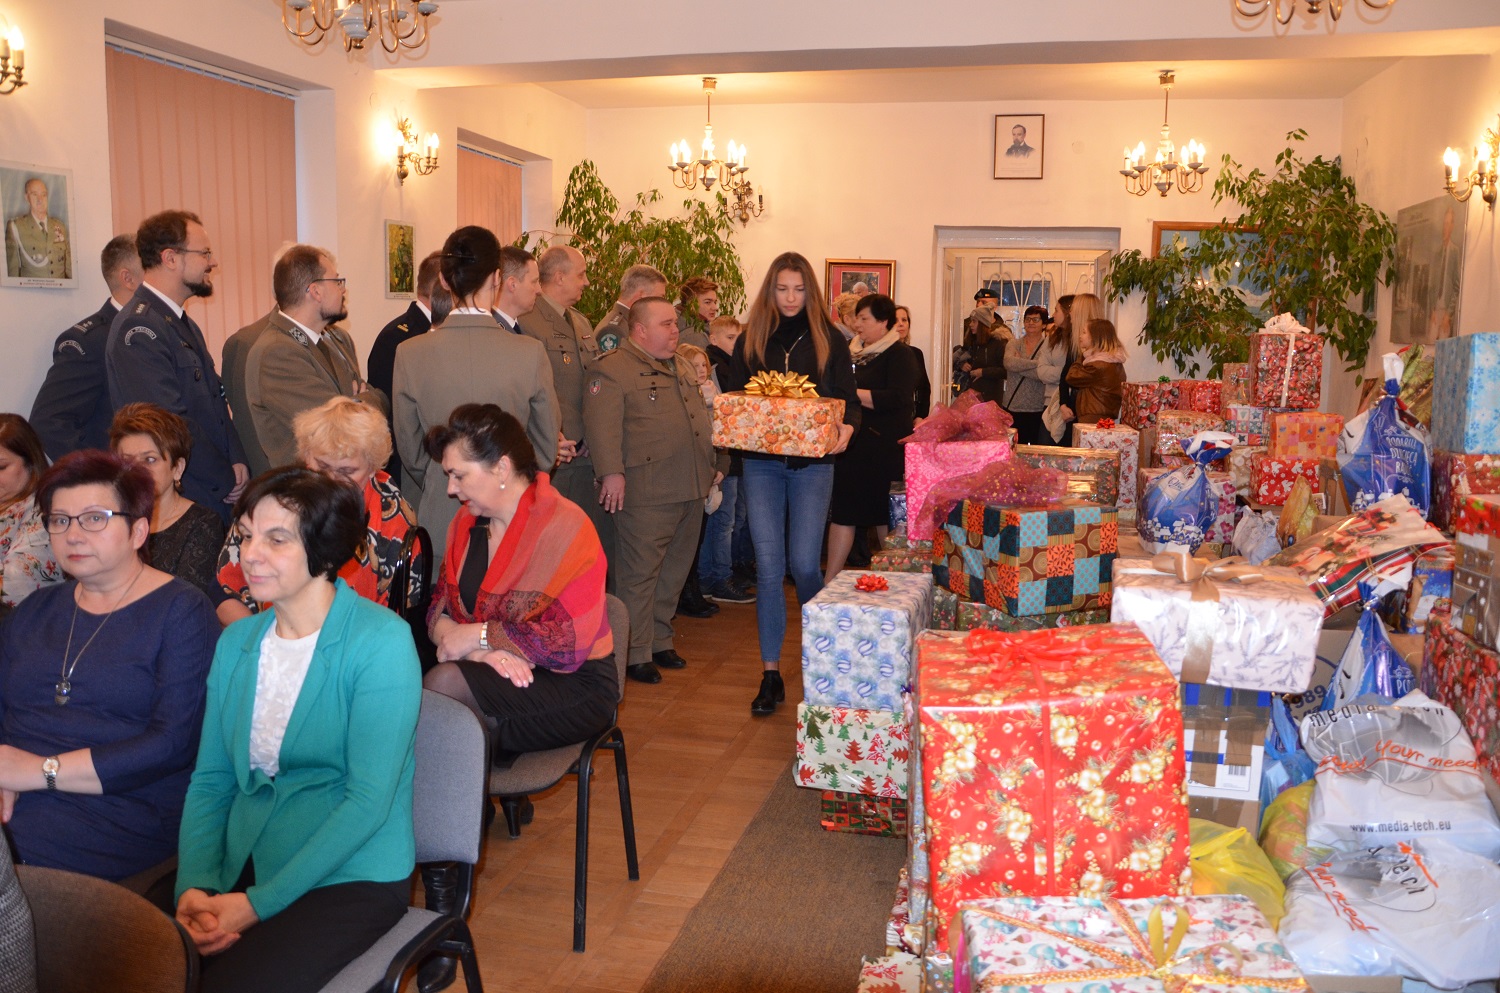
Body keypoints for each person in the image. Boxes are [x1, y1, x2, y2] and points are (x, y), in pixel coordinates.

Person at [174, 468, 420, 993]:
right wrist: (193, 885)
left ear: (325, 552)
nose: (250, 554)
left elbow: (367, 803)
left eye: (276, 539)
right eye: (246, 536)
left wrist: (255, 905)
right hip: (248, 853)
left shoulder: (381, 642)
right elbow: (212, 780)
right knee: (138, 963)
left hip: (350, 872)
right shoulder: (237, 642)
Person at [0, 450, 217, 884]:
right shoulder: (36, 609)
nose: (73, 535)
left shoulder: (182, 611)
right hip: (17, 792)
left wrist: (42, 772)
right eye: (60, 520)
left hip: (118, 808)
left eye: (94, 519)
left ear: (138, 530)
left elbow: (172, 743)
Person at [722, 252, 858, 715]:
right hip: (761, 465)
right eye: (782, 289)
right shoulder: (751, 337)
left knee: (803, 564)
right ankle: (770, 675)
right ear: (770, 290)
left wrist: (848, 428)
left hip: (813, 466)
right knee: (768, 567)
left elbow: (846, 401)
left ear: (810, 291)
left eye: (799, 289)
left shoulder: (829, 338)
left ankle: (823, 662)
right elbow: (736, 398)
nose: (791, 298)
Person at [393, 227, 559, 555]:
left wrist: (446, 476)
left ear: (443, 280)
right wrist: (511, 481)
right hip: (511, 515)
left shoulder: (410, 353)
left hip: (441, 514)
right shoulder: (529, 352)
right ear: (497, 278)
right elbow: (546, 445)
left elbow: (411, 450)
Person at [583, 298, 722, 684]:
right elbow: (602, 427)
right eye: (666, 324)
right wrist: (611, 473)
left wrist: (715, 464)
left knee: (674, 570)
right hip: (646, 490)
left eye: (675, 323)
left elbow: (701, 419)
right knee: (639, 575)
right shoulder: (612, 369)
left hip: (690, 483)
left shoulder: (681, 365)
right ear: (640, 330)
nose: (675, 330)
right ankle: (634, 651)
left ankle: (660, 639)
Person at [217, 396, 415, 625]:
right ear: (306, 457)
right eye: (322, 467)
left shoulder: (393, 515)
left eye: (347, 471)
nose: (331, 480)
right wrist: (263, 635)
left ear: (372, 469)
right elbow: (224, 592)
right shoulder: (271, 499)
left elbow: (394, 616)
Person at [106, 210, 248, 524]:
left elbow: (215, 398)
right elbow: (169, 423)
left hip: (213, 490)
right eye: (204, 253)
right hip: (186, 497)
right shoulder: (139, 329)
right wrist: (224, 476)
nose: (212, 262)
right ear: (170, 258)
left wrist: (237, 457)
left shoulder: (180, 322)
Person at [516, 245, 614, 591]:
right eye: (581, 275)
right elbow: (532, 393)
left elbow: (591, 385)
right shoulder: (527, 322)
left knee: (582, 550)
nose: (586, 282)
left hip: (585, 456)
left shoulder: (582, 322)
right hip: (555, 456)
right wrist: (553, 436)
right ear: (559, 277)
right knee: (549, 553)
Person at [245, 245, 388, 469]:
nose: (343, 290)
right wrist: (363, 402)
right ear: (316, 291)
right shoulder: (277, 352)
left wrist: (356, 403)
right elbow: (340, 428)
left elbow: (374, 401)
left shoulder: (333, 339)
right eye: (337, 281)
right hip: (308, 485)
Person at [825, 294, 919, 585]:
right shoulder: (850, 351)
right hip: (852, 446)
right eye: (857, 317)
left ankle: (895, 583)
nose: (858, 324)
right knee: (844, 514)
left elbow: (899, 397)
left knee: (884, 515)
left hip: (883, 450)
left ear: (883, 322)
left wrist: (852, 395)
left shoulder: (900, 354)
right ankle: (829, 582)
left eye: (864, 318)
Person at [29, 235, 144, 460]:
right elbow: (49, 423)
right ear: (128, 279)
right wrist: (102, 473)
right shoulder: (91, 341)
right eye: (152, 268)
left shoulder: (169, 330)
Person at [110, 403, 226, 603]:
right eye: (127, 461)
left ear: (177, 468)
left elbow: (184, 601)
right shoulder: (110, 520)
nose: (138, 470)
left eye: (150, 459)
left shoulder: (203, 523)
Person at [367, 252, 447, 488]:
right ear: (442, 285)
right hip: (409, 468)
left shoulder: (434, 332)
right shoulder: (397, 337)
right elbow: (392, 411)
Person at [700, 316, 753, 604]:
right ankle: (716, 577)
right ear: (714, 339)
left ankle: (727, 571)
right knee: (723, 521)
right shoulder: (717, 368)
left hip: (736, 453)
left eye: (738, 337)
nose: (736, 343)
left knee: (734, 519)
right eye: (730, 337)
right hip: (724, 454)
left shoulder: (736, 364)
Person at [0, 416, 62, 620]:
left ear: (30, 463)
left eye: (1, 467)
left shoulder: (46, 510)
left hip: (23, 627)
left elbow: (16, 582)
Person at [1002, 304, 1067, 446]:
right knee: (1013, 449)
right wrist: (1038, 364)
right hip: (1013, 406)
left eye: (1035, 319)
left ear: (1044, 324)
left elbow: (1042, 374)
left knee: (1037, 450)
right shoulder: (1014, 343)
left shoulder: (1049, 346)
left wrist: (1019, 365)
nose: (1030, 322)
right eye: (1027, 319)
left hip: (1038, 407)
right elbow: (1008, 363)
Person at [5, 177, 70, 280]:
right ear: (27, 198)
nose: (40, 200)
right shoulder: (16, 227)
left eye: (43, 194)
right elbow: (13, 274)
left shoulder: (60, 226)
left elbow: (70, 270)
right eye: (34, 194)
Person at [1065, 318, 1130, 422]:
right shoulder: (1113, 361)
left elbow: (1071, 377)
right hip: (1102, 415)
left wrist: (1082, 357)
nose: (1080, 336)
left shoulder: (1097, 365)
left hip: (1092, 416)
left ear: (1094, 337)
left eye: (1084, 332)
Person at [594, 264, 667, 354]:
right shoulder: (614, 330)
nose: (662, 303)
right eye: (660, 298)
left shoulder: (629, 323)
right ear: (642, 296)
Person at [958, 288, 1010, 403]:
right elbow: (961, 352)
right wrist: (961, 363)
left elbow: (1006, 369)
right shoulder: (971, 334)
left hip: (990, 397)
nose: (979, 305)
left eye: (984, 302)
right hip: (970, 393)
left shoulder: (1001, 338)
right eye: (978, 302)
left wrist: (983, 372)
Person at [488, 245, 542, 336]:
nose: (539, 290)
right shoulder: (493, 333)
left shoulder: (519, 327)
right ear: (513, 285)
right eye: (534, 282)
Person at [894, 304, 932, 418]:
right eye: (895, 320)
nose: (901, 324)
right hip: (891, 419)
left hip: (913, 418)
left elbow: (924, 388)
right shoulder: (883, 354)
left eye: (904, 320)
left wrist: (920, 416)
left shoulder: (916, 353)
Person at [675, 276, 718, 351]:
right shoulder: (695, 336)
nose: (715, 307)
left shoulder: (697, 327)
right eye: (708, 302)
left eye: (715, 302)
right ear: (691, 303)